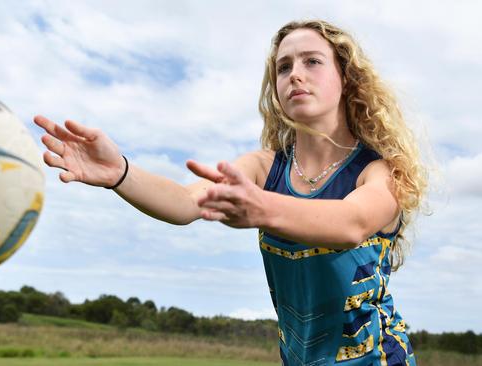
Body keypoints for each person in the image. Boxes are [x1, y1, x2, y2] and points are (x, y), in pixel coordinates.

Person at [34, 19, 426, 366]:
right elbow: (188, 203)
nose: (295, 75)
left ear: (347, 79)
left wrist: (262, 208)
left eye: (312, 61)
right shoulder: (263, 167)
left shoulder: (379, 171)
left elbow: (350, 224)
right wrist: (119, 171)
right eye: (283, 67)